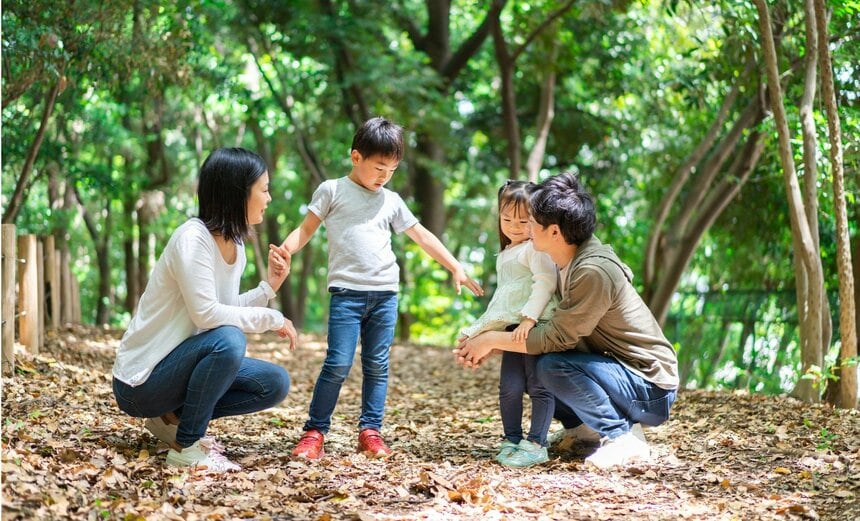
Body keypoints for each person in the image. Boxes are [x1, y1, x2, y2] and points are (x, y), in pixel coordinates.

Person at [281, 116, 483, 460]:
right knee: (338, 362)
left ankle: (370, 430)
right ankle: (314, 431)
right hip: (346, 293)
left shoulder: (390, 200)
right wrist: (285, 251)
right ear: (355, 157)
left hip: (385, 294)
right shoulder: (332, 190)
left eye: (391, 169)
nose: (384, 176)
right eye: (378, 167)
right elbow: (306, 229)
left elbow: (421, 236)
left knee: (377, 364)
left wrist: (455, 266)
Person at [455, 173, 679, 470]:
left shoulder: (592, 271)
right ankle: (583, 427)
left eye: (533, 223)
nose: (526, 229)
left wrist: (490, 340)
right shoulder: (563, 259)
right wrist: (492, 344)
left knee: (551, 365)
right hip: (614, 370)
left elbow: (555, 338)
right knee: (530, 367)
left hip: (649, 387)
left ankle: (621, 437)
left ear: (555, 232)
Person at [112, 147, 298, 472]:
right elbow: (207, 315)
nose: (269, 199)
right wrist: (272, 318)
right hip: (139, 383)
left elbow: (224, 307)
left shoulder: (235, 244)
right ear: (238, 192)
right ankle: (187, 447)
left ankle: (174, 418)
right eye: (264, 190)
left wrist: (269, 288)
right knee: (230, 341)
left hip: (177, 368)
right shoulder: (192, 240)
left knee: (274, 382)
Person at [459, 180, 557, 468]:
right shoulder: (507, 253)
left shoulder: (534, 250)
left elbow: (545, 283)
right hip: (513, 331)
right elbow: (504, 301)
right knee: (510, 387)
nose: (514, 226)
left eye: (524, 220)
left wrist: (529, 318)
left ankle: (537, 443)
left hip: (535, 327)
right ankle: (512, 439)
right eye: (507, 219)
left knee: (539, 386)